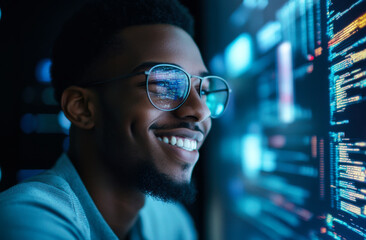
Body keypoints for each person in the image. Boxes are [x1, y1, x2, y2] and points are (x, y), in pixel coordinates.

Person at [0, 0, 230, 239]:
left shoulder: (171, 222)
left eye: (203, 90)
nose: (200, 110)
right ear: (82, 108)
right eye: (165, 84)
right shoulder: (26, 220)